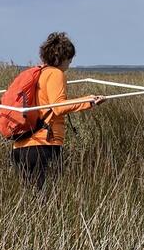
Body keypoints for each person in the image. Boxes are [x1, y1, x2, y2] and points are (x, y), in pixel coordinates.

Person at [11, 32, 105, 189]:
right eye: (69, 58)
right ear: (61, 58)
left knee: (30, 203)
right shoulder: (55, 74)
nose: (70, 63)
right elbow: (58, 107)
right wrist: (89, 101)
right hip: (43, 145)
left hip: (20, 148)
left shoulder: (38, 73)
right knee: (47, 203)